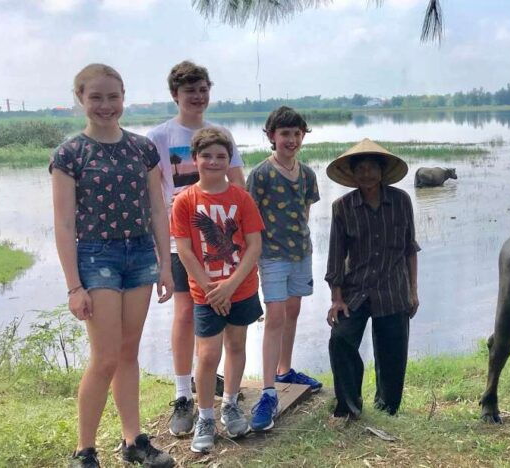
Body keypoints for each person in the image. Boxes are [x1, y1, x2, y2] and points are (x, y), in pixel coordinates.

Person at [52, 63, 175, 468]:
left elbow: (158, 209)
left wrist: (165, 263)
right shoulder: (70, 154)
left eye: (113, 97)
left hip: (140, 255)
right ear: (81, 100)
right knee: (104, 357)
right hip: (96, 256)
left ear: (124, 98)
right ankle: (84, 450)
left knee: (127, 352)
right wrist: (74, 286)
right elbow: (65, 223)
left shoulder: (142, 148)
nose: (106, 106)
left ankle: (133, 441)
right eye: (96, 97)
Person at [146, 61, 246, 437]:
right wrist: (160, 250)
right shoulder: (159, 136)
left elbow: (238, 185)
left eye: (203, 89)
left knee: (226, 316)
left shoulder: (220, 135)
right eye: (190, 91)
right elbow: (153, 196)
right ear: (176, 95)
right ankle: (183, 394)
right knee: (186, 312)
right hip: (180, 240)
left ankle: (220, 391)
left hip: (221, 244)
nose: (198, 96)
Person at [171, 128, 265, 453]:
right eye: (207, 155)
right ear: (195, 159)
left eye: (221, 156)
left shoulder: (241, 197)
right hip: (206, 293)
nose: (214, 161)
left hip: (241, 287)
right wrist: (212, 289)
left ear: (230, 160)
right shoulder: (185, 200)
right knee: (208, 354)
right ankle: (206, 416)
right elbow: (183, 250)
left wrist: (231, 285)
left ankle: (230, 404)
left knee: (237, 345)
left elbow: (254, 246)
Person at [325, 139, 420, 420]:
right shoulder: (342, 207)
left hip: (394, 289)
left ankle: (387, 408)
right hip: (356, 291)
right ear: (353, 175)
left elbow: (409, 249)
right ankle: (349, 406)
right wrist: (336, 298)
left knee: (392, 352)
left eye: (372, 168)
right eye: (360, 169)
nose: (366, 174)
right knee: (340, 339)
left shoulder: (401, 201)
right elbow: (335, 257)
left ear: (382, 171)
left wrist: (413, 291)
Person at [245, 106, 322, 432]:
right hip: (272, 256)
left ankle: (284, 369)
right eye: (284, 134)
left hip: (301, 253)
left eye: (296, 134)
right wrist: (254, 257)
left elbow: (303, 212)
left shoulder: (307, 174)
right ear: (271, 137)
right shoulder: (261, 174)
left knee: (293, 310)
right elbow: (250, 219)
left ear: (302, 136)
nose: (290, 140)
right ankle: (267, 392)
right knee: (274, 316)